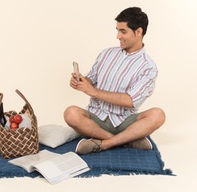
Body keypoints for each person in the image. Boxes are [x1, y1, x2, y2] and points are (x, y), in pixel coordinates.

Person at [64, 7, 165, 155]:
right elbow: (92, 79)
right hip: (96, 118)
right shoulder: (107, 53)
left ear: (138, 32)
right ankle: (125, 141)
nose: (118, 36)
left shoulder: (148, 67)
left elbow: (130, 100)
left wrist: (94, 92)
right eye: (117, 30)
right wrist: (82, 82)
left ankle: (104, 144)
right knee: (70, 113)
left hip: (124, 121)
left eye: (123, 31)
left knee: (158, 115)